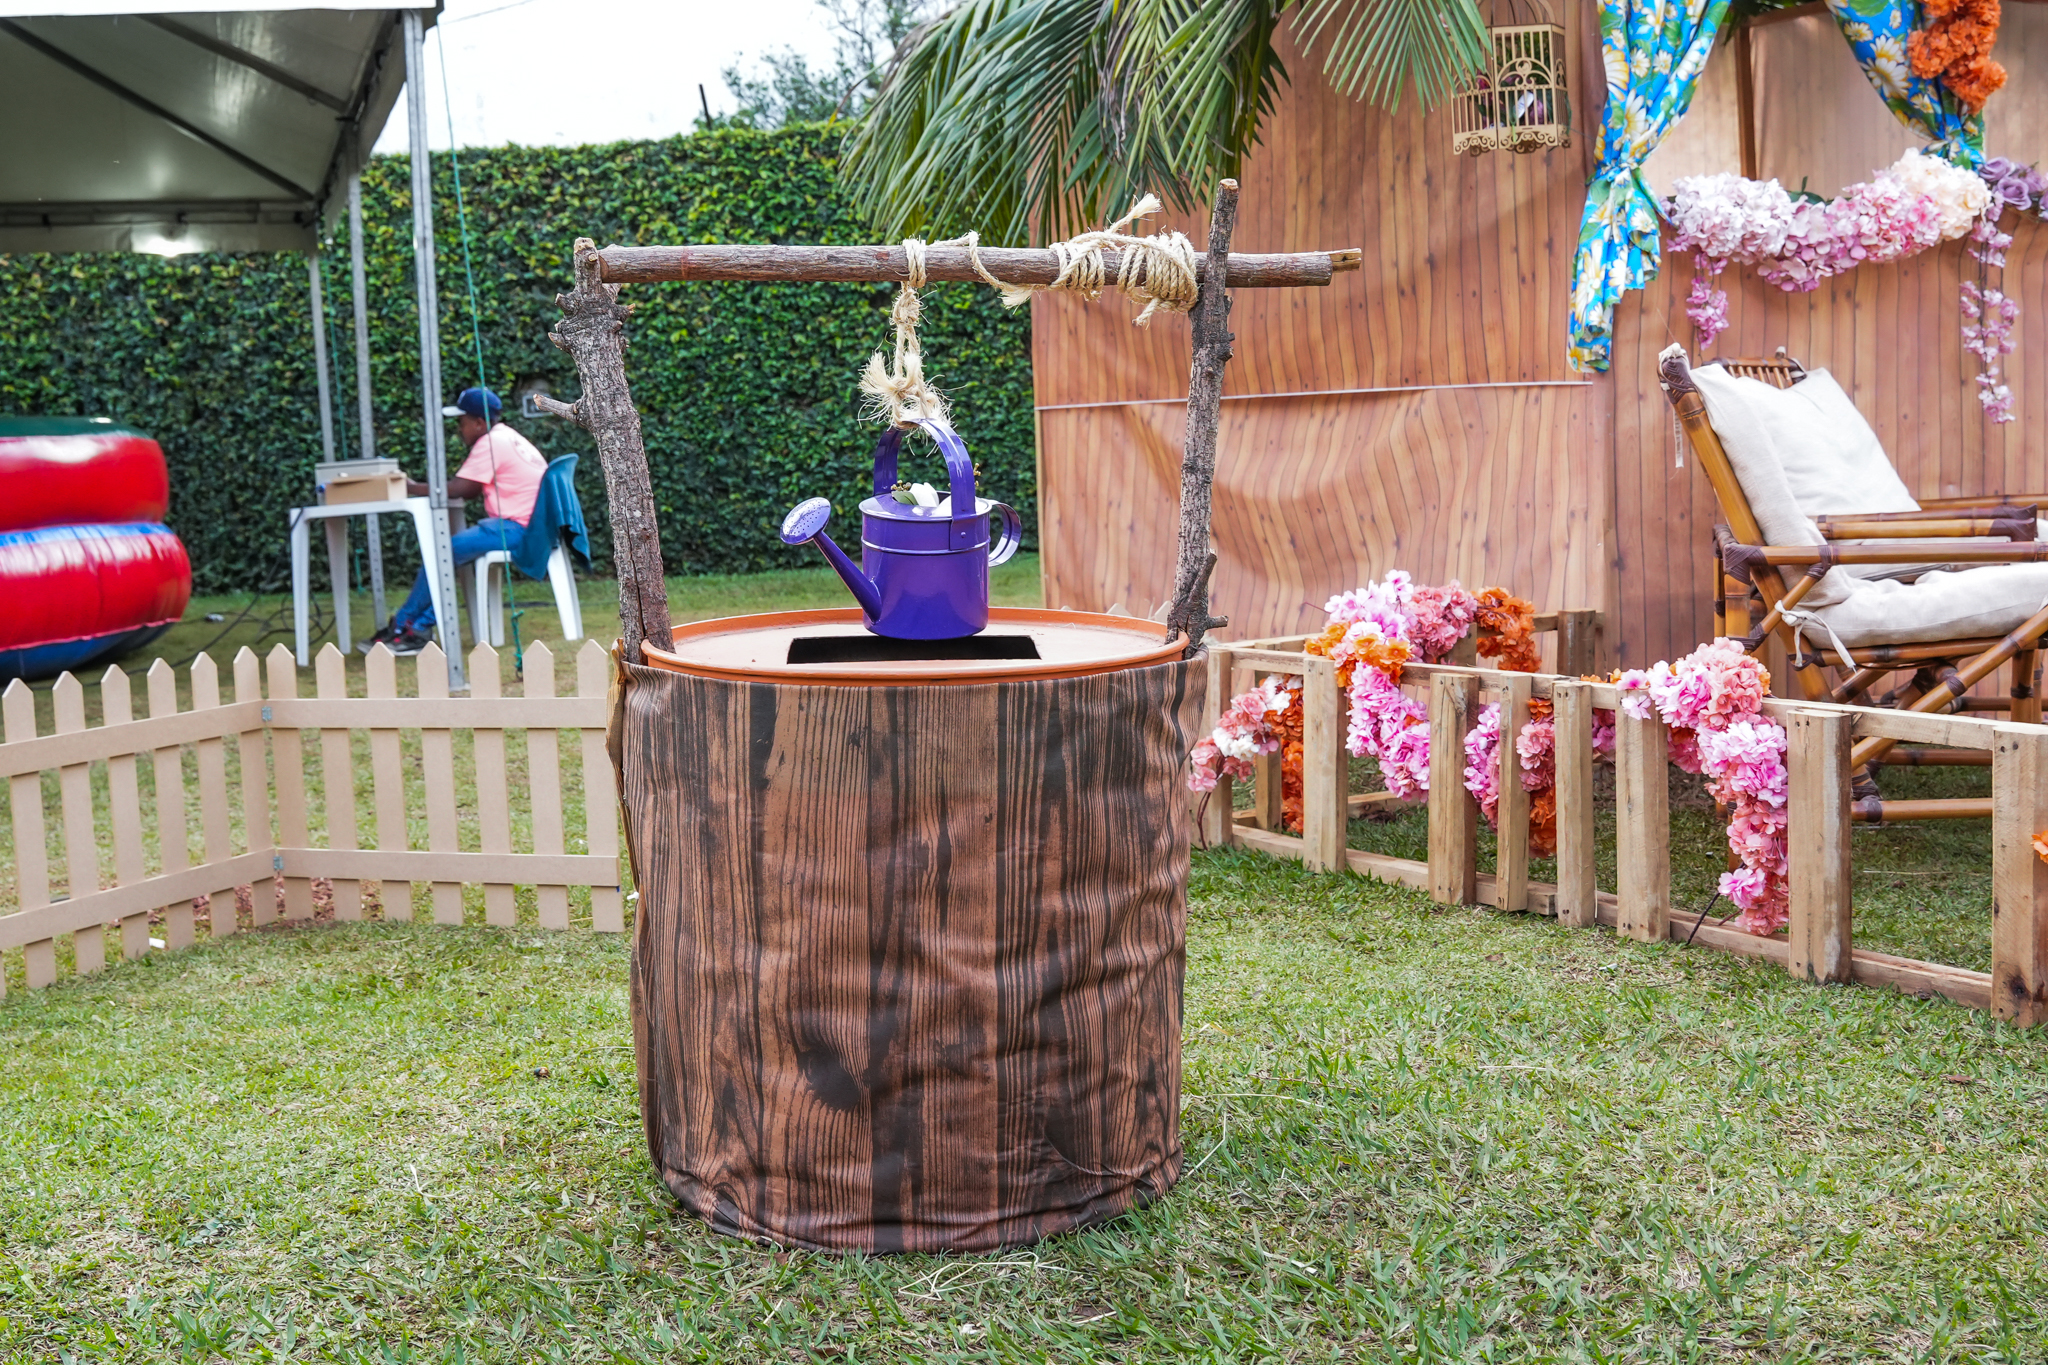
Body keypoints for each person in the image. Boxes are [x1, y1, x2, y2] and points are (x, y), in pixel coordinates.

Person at [364, 387, 548, 654]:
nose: (459, 430)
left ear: (479, 422)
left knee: (442, 553)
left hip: (517, 528)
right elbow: (470, 489)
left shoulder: (491, 442)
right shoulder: (509, 436)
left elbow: (459, 489)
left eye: (462, 422)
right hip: (531, 527)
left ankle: (408, 627)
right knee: (447, 553)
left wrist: (409, 486)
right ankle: (411, 626)